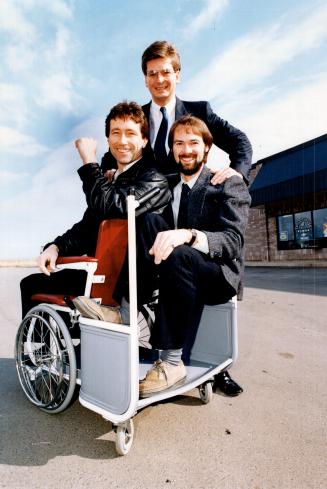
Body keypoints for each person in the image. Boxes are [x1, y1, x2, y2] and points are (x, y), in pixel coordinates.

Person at [133, 115, 251, 397]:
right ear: (172, 150)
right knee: (148, 221)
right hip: (176, 271)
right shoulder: (166, 185)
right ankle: (127, 308)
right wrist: (109, 172)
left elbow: (233, 241)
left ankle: (173, 363)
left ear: (207, 147)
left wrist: (189, 234)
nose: (186, 149)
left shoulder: (226, 183)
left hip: (217, 274)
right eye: (179, 143)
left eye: (193, 143)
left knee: (181, 254)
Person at [20, 101, 171, 318]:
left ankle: (66, 343)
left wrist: (89, 161)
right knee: (32, 283)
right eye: (116, 133)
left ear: (144, 140)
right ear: (108, 140)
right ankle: (52, 348)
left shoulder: (154, 179)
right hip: (101, 274)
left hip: (124, 280)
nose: (123, 140)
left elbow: (110, 206)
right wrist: (55, 247)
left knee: (37, 287)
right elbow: (87, 226)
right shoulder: (112, 181)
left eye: (131, 133)